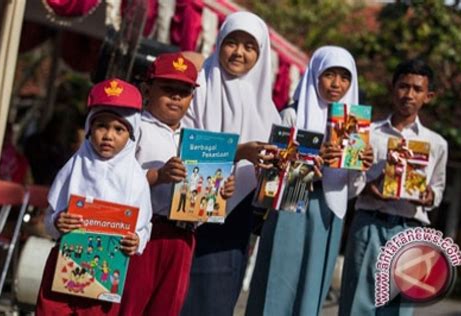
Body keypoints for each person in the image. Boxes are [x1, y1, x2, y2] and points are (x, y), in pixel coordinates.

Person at [246, 46, 373, 316]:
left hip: (329, 211)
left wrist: (361, 166)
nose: (337, 84)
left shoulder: (354, 126)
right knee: (278, 280)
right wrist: (312, 163)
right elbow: (273, 177)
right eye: (329, 74)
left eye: (344, 77)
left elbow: (351, 190)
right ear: (315, 74)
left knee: (312, 285)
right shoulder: (292, 115)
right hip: (290, 206)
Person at [117, 53, 235, 316]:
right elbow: (114, 181)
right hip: (142, 233)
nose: (176, 97)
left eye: (184, 91)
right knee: (129, 306)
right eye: (168, 89)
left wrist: (219, 192)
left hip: (183, 237)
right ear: (147, 89)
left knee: (167, 309)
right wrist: (158, 176)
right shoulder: (132, 129)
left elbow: (203, 200)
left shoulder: (195, 139)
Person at [180, 11, 282, 315]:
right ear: (219, 41)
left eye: (249, 47)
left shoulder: (268, 109)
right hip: (186, 214)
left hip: (234, 222)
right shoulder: (194, 89)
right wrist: (237, 153)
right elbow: (183, 145)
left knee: (215, 301)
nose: (239, 52)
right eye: (232, 42)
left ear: (260, 54)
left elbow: (273, 177)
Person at [338, 59, 448, 316]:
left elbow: (438, 191)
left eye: (417, 89)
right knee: (358, 304)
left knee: (399, 308)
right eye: (403, 86)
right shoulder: (368, 133)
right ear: (393, 88)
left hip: (411, 229)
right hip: (370, 224)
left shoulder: (436, 143)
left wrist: (427, 195)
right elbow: (350, 184)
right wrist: (367, 187)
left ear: (428, 96)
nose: (409, 95)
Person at [35, 78, 153, 316]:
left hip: (106, 276)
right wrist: (58, 221)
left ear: (130, 134)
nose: (108, 135)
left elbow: (144, 227)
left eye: (119, 129)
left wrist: (136, 241)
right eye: (101, 126)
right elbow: (49, 220)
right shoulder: (74, 167)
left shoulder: (136, 178)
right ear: (90, 128)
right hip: (64, 267)